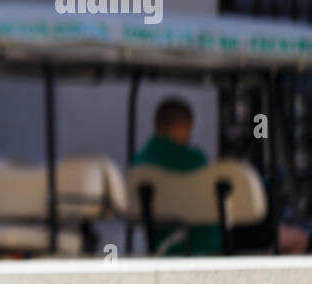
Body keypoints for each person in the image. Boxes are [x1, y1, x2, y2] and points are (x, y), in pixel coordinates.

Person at [133, 98, 311, 255]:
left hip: (162, 243)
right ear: (183, 126)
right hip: (209, 240)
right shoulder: (194, 159)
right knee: (298, 239)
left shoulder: (139, 163)